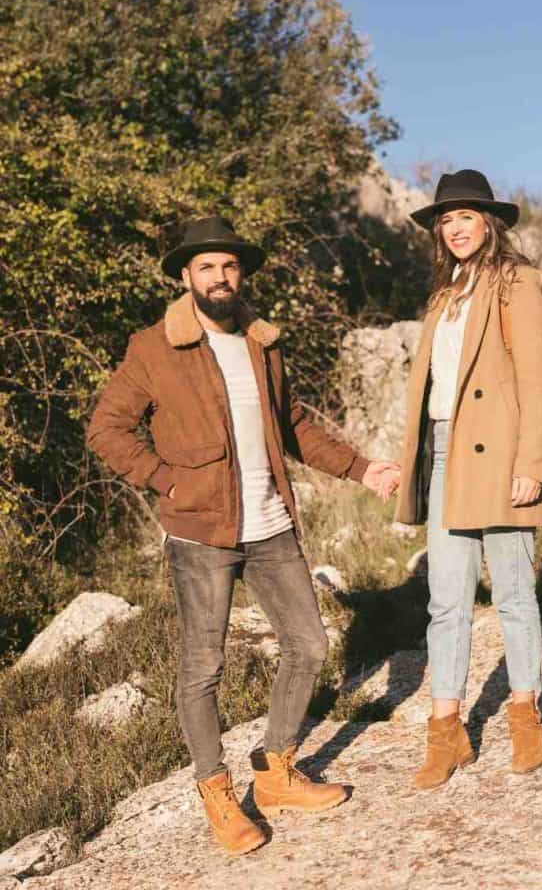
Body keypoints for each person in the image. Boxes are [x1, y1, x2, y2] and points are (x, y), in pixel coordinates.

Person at [86, 216, 398, 856]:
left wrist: (364, 469)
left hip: (271, 523)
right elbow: (108, 429)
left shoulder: (262, 341)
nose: (219, 277)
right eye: (206, 267)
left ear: (241, 273)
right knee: (204, 667)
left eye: (228, 266)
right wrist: (165, 482)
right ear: (185, 276)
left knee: (309, 646)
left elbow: (295, 427)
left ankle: (277, 770)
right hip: (201, 533)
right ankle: (216, 792)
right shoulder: (153, 347)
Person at [393, 169, 542, 789]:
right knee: (446, 600)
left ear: (490, 222)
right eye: (446, 220)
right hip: (443, 450)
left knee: (513, 593)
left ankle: (524, 717)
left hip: (501, 453)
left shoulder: (519, 282)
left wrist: (530, 466)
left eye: (466, 217)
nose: (455, 228)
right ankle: (447, 731)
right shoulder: (443, 292)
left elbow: (536, 381)